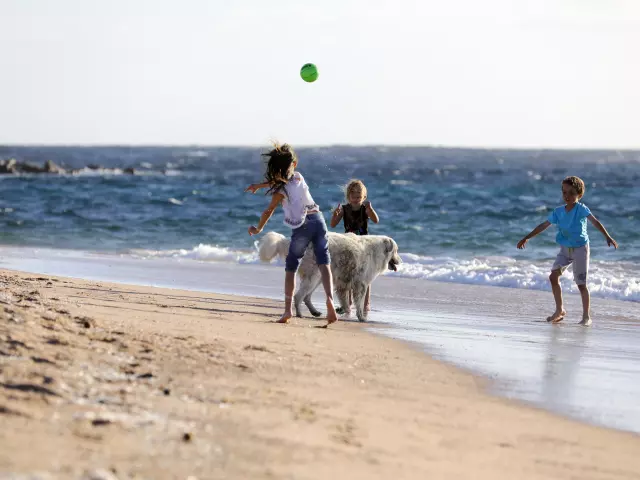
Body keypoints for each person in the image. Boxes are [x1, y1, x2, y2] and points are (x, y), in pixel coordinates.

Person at [245, 143, 338, 326]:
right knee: (323, 263)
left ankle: (288, 310)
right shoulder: (299, 177)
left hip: (302, 226)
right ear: (294, 164)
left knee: (291, 267)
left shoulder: (280, 191)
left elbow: (268, 211)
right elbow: (282, 179)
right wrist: (260, 185)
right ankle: (330, 301)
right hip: (318, 220)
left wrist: (259, 229)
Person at [517, 176, 618, 326]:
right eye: (564, 192)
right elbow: (543, 225)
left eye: (571, 193)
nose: (567, 196)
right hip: (565, 250)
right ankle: (559, 310)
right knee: (553, 277)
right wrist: (527, 237)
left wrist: (607, 236)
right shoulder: (558, 212)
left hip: (580, 249)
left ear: (579, 194)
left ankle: (586, 316)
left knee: (581, 284)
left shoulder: (581, 209)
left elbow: (595, 222)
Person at [330, 179, 379, 313]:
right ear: (348, 196)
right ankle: (349, 302)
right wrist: (334, 215)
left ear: (364, 197)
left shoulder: (365, 209)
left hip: (363, 245)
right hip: (349, 245)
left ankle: (366, 303)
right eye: (353, 196)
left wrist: (371, 209)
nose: (356, 199)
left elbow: (376, 220)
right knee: (349, 274)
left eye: (359, 196)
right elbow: (333, 225)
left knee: (365, 276)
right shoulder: (344, 209)